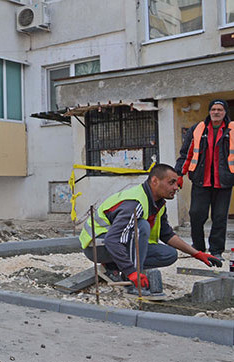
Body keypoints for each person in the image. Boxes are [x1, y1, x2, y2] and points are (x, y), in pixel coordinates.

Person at [79, 164, 222, 297]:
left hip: (115, 246)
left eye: (176, 183)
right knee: (141, 226)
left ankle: (114, 267)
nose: (176, 187)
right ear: (154, 181)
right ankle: (133, 282)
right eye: (171, 182)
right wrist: (132, 273)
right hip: (97, 247)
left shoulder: (158, 204)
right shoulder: (135, 203)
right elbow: (112, 240)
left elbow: (167, 235)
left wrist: (197, 253)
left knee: (169, 254)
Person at [176, 99, 234, 260]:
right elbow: (185, 154)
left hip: (224, 182)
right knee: (196, 214)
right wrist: (178, 174)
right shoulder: (198, 129)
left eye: (220, 110)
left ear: (225, 112)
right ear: (209, 111)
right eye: (214, 109)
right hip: (201, 180)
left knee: (220, 217)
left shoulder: (232, 130)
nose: (216, 112)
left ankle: (216, 251)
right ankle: (198, 248)